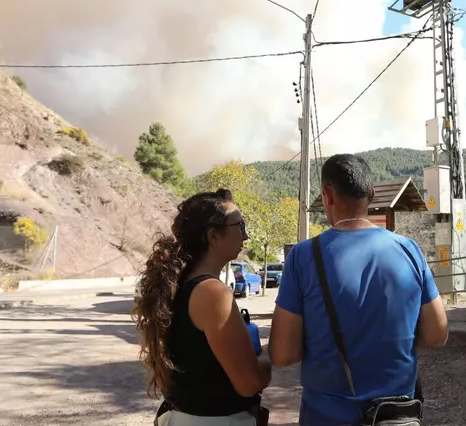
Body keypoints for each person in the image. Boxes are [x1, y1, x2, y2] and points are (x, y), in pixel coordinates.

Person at [269, 153, 449, 426]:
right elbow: (437, 334)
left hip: (326, 417)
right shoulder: (409, 250)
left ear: (327, 195)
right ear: (372, 195)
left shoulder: (304, 256)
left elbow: (283, 354)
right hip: (394, 417)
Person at [133, 188, 272, 425]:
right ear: (213, 237)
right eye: (240, 226)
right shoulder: (213, 293)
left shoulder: (180, 284)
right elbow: (249, 384)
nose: (246, 236)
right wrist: (269, 354)